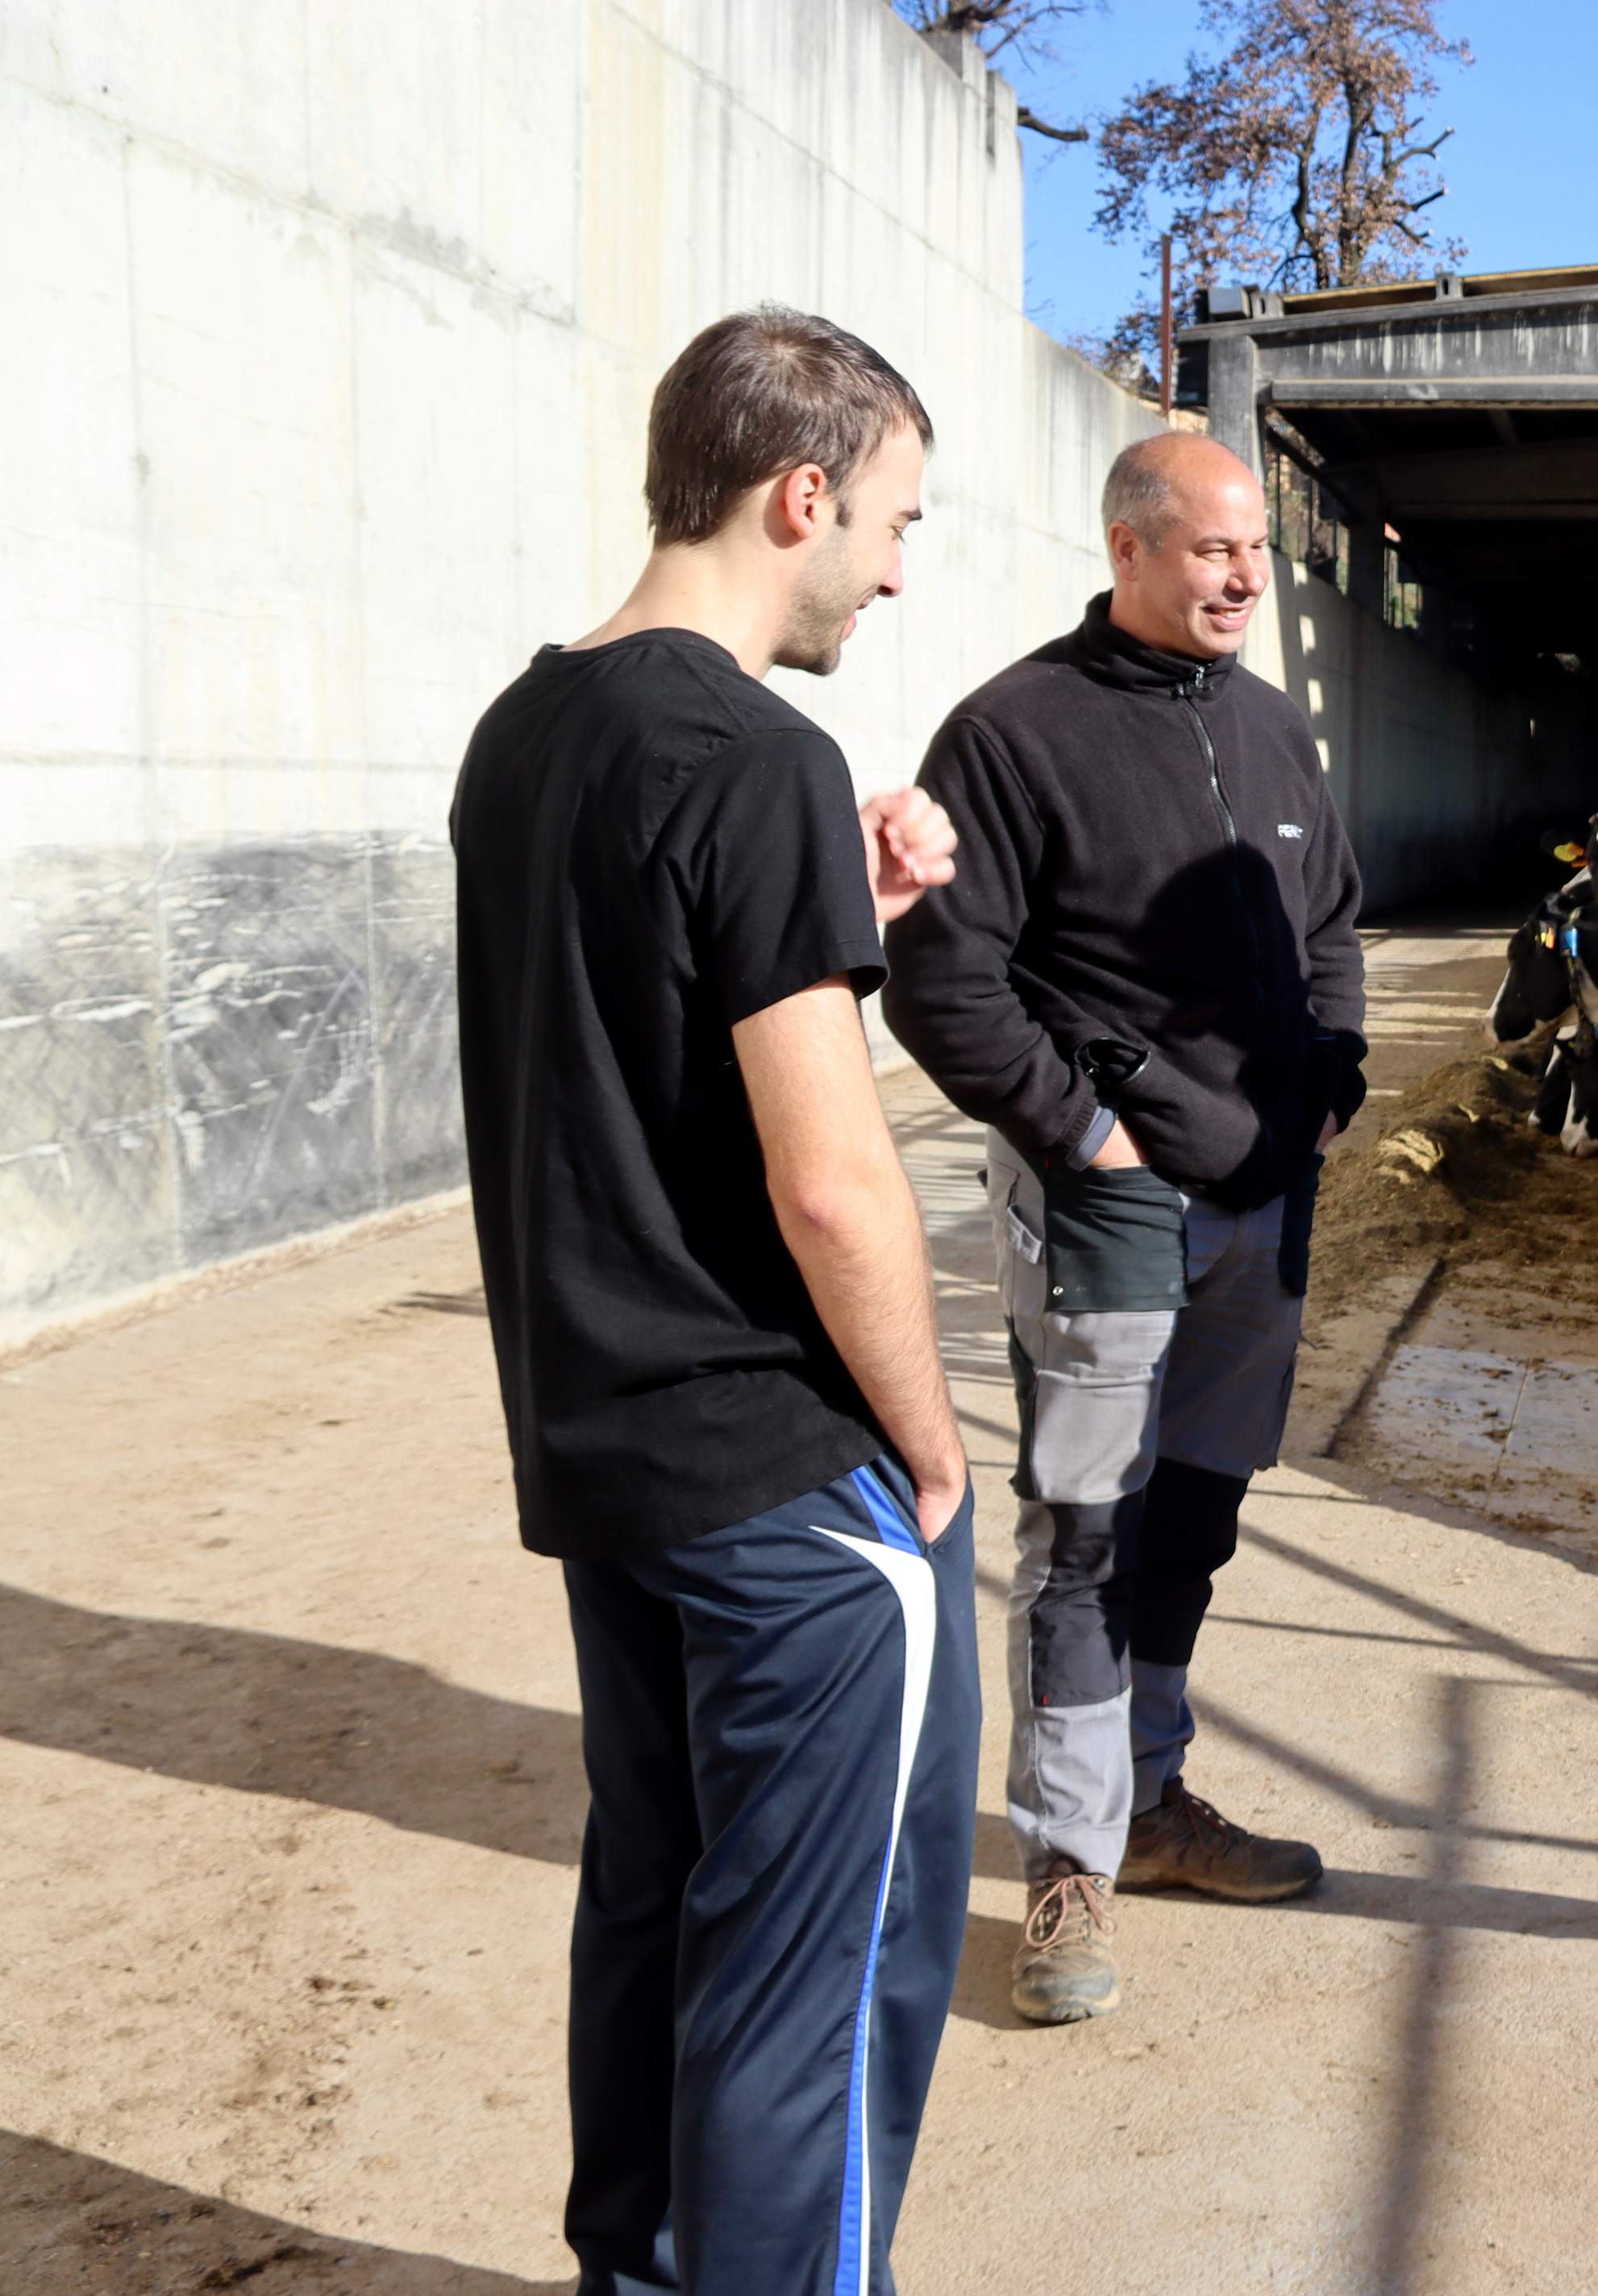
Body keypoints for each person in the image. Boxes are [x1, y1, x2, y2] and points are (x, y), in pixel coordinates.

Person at [452, 306, 976, 2294]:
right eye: (897, 521)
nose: (901, 571)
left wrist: (853, 918)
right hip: (782, 1475)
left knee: (658, 1911)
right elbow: (829, 1178)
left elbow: (626, 1034)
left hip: (607, 1457)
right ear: (803, 492)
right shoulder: (758, 750)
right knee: (814, 1985)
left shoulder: (526, 731)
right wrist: (927, 1448)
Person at [883, 430, 1367, 2027]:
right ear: (1129, 548)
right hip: (1114, 1206)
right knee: (1086, 1525)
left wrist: (1338, 1076)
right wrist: (1086, 1137)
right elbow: (948, 980)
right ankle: (1069, 1858)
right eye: (1214, 549)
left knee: (1200, 1511)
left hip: (1263, 1206)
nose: (1242, 578)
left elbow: (1335, 928)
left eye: (1255, 556)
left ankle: (1152, 1802)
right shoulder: (1017, 733)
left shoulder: (1277, 731)